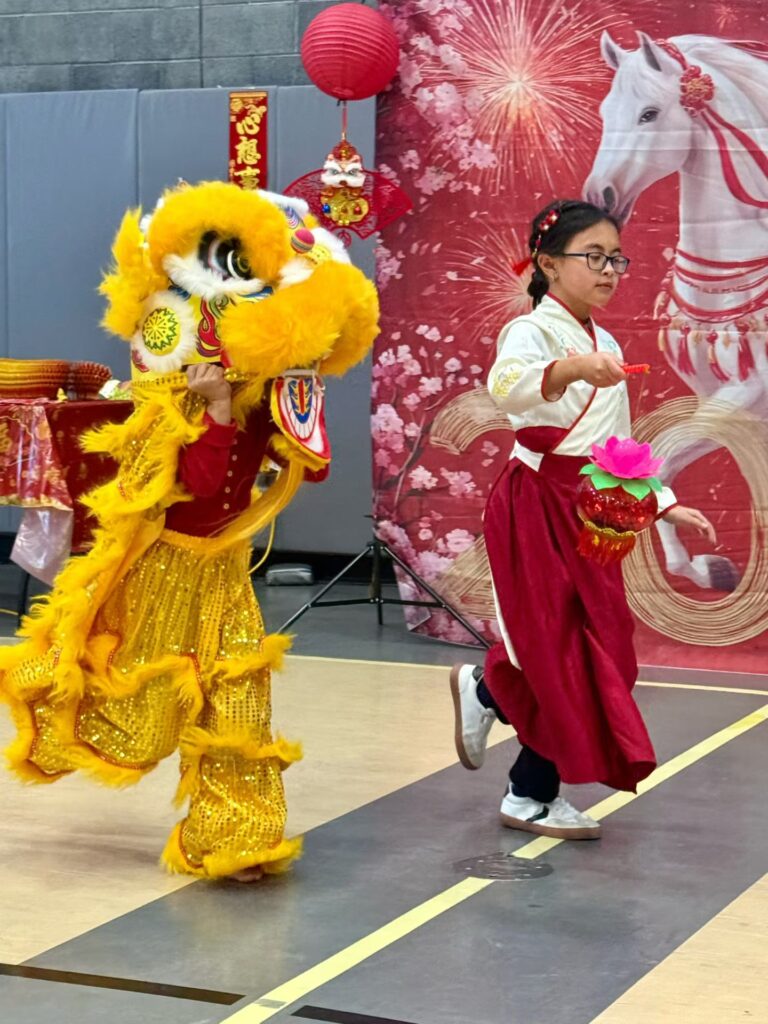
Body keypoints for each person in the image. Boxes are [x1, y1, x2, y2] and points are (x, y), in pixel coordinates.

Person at [450, 199, 715, 840]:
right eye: (593, 257)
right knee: (557, 652)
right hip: (537, 504)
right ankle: (528, 793)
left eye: (616, 259)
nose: (608, 271)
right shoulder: (532, 331)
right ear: (547, 263)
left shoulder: (606, 342)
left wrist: (663, 503)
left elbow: (613, 447)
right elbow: (506, 387)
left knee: (605, 647)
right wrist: (571, 368)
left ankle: (488, 692)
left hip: (591, 510)